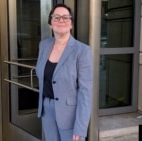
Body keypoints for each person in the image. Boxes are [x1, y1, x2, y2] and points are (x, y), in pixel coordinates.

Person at [36, 4, 93, 141]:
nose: (61, 20)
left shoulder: (82, 51)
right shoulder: (44, 45)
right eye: (56, 17)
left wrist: (81, 126)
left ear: (71, 24)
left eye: (66, 17)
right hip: (47, 110)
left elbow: (85, 92)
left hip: (70, 115)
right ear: (50, 23)